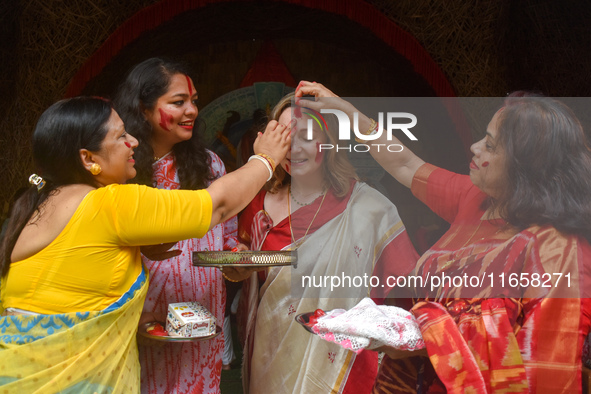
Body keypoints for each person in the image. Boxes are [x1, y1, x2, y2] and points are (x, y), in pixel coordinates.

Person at [296, 81, 591, 392]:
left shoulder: (559, 250)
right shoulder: (475, 198)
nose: (475, 147)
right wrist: (346, 110)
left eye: (490, 145)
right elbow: (406, 164)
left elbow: (542, 371)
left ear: (527, 169)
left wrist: (425, 337)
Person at [0, 96, 290, 393]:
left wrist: (130, 312)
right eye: (121, 136)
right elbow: (218, 205)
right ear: (88, 159)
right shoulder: (109, 204)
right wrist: (265, 159)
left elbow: (61, 296)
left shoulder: (33, 210)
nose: (134, 142)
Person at [223, 92, 419, 393]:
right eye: (285, 137)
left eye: (306, 137)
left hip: (340, 367)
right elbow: (245, 260)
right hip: (272, 357)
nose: (294, 149)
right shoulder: (258, 203)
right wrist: (238, 265)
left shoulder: (369, 208)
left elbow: (407, 292)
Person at [114, 57, 241, 393]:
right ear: (143, 109)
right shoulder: (121, 173)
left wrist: (237, 262)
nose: (192, 111)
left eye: (194, 101)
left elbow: (227, 238)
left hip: (203, 321)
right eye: (178, 102)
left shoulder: (211, 165)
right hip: (143, 325)